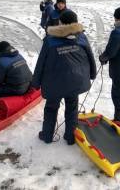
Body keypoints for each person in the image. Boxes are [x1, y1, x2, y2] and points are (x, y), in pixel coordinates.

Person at [32, 10, 97, 145]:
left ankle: (47, 135)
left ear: (60, 22)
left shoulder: (50, 41)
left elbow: (41, 63)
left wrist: (36, 82)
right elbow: (90, 56)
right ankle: (70, 136)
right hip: (75, 80)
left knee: (51, 108)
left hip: (55, 82)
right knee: (72, 107)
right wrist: (92, 73)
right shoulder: (81, 37)